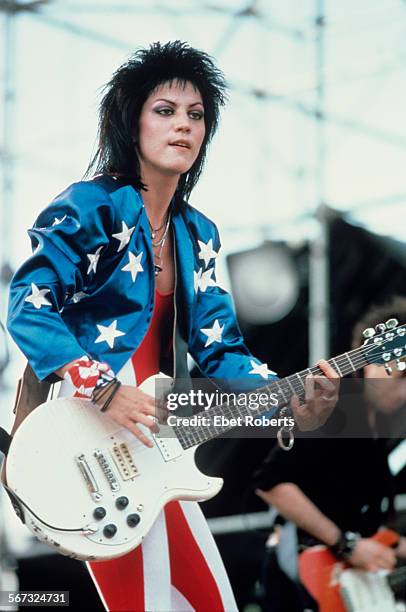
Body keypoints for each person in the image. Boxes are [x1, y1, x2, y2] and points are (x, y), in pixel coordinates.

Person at [6, 41, 339, 612]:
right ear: (129, 120)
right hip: (84, 440)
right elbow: (27, 305)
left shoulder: (199, 232)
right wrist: (101, 385)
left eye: (196, 115)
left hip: (154, 447)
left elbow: (221, 351)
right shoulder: (88, 206)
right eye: (165, 110)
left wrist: (287, 401)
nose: (183, 126)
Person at [253, 296, 406, 612]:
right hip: (306, 578)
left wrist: (388, 543)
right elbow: (271, 483)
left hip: (339, 579)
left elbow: (353, 509)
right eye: (402, 377)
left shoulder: (378, 424)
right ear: (375, 363)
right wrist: (347, 544)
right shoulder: (336, 407)